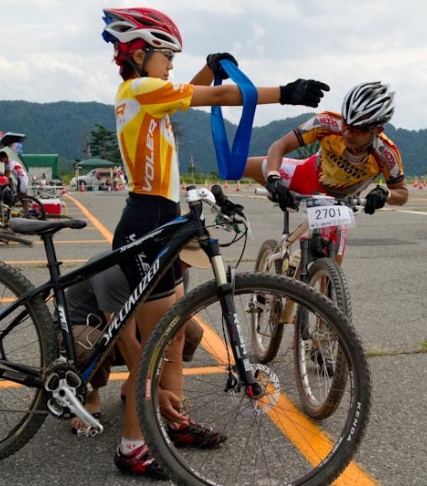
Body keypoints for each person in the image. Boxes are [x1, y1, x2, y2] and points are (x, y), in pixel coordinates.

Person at [101, 6, 329, 478]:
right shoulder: (142, 89)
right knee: (157, 347)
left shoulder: (147, 90)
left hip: (161, 218)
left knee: (172, 336)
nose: (171, 65)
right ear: (140, 54)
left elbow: (198, 92)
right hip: (147, 221)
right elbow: (221, 94)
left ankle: (172, 418)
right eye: (167, 55)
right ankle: (131, 445)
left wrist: (210, 63)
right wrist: (286, 93)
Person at [243, 81, 408, 263]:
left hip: (338, 202)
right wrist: (273, 178)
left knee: (332, 268)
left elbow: (402, 193)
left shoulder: (386, 152)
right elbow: (279, 146)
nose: (348, 133)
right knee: (244, 166)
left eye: (358, 129)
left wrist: (385, 193)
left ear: (377, 130)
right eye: (346, 123)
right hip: (306, 174)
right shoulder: (326, 122)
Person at [65, 241, 208, 437]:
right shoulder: (115, 272)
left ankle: (129, 388)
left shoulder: (178, 269)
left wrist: (176, 402)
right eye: (185, 260)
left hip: (130, 320)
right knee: (94, 344)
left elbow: (175, 333)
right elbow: (125, 339)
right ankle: (90, 398)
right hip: (85, 327)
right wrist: (153, 391)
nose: (189, 265)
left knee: (189, 331)